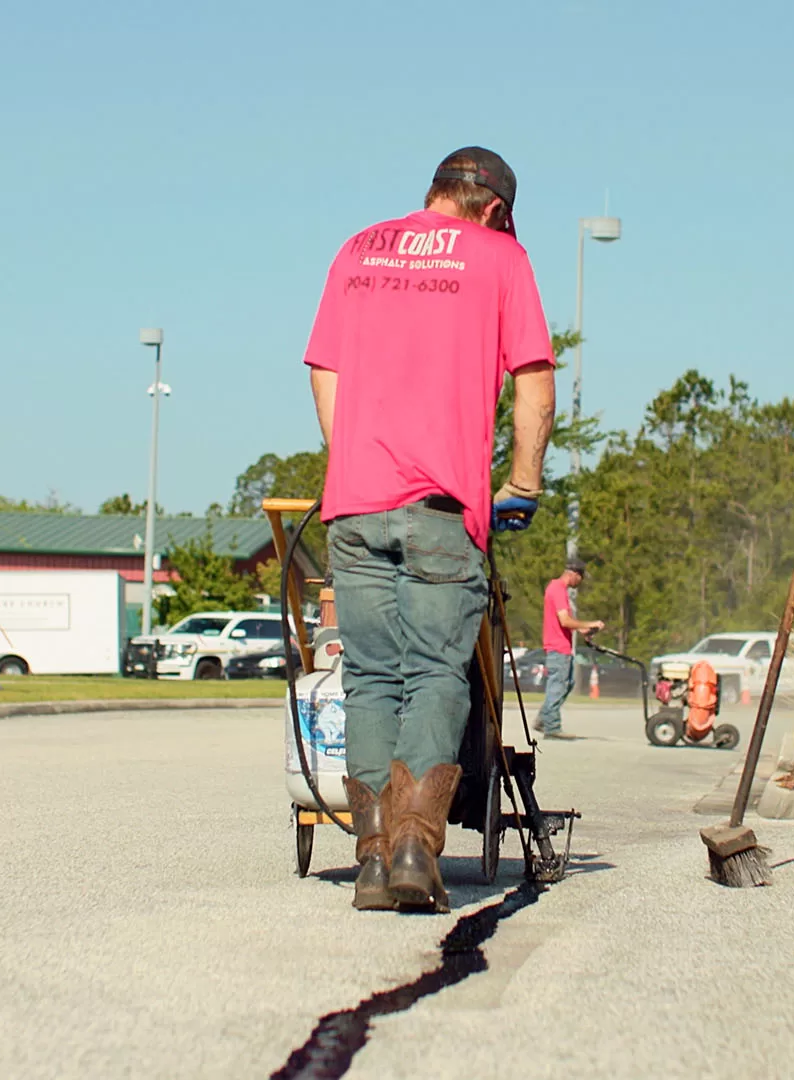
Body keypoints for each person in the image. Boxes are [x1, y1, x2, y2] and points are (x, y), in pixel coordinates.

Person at [303, 146, 556, 913]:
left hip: (355, 506)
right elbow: (534, 380)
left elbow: (325, 370)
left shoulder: (357, 249)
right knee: (439, 675)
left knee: (371, 676)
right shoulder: (501, 258)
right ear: (493, 210)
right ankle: (416, 843)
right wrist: (523, 482)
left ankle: (374, 859)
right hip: (443, 507)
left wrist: (351, 463)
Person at [536, 558, 604, 738]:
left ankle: (544, 718)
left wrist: (583, 628)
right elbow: (565, 621)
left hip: (561, 646)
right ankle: (552, 727)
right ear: (574, 573)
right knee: (558, 686)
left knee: (568, 682)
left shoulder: (556, 588)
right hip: (558, 647)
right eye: (580, 577)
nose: (580, 582)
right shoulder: (558, 590)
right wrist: (590, 622)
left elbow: (565, 623)